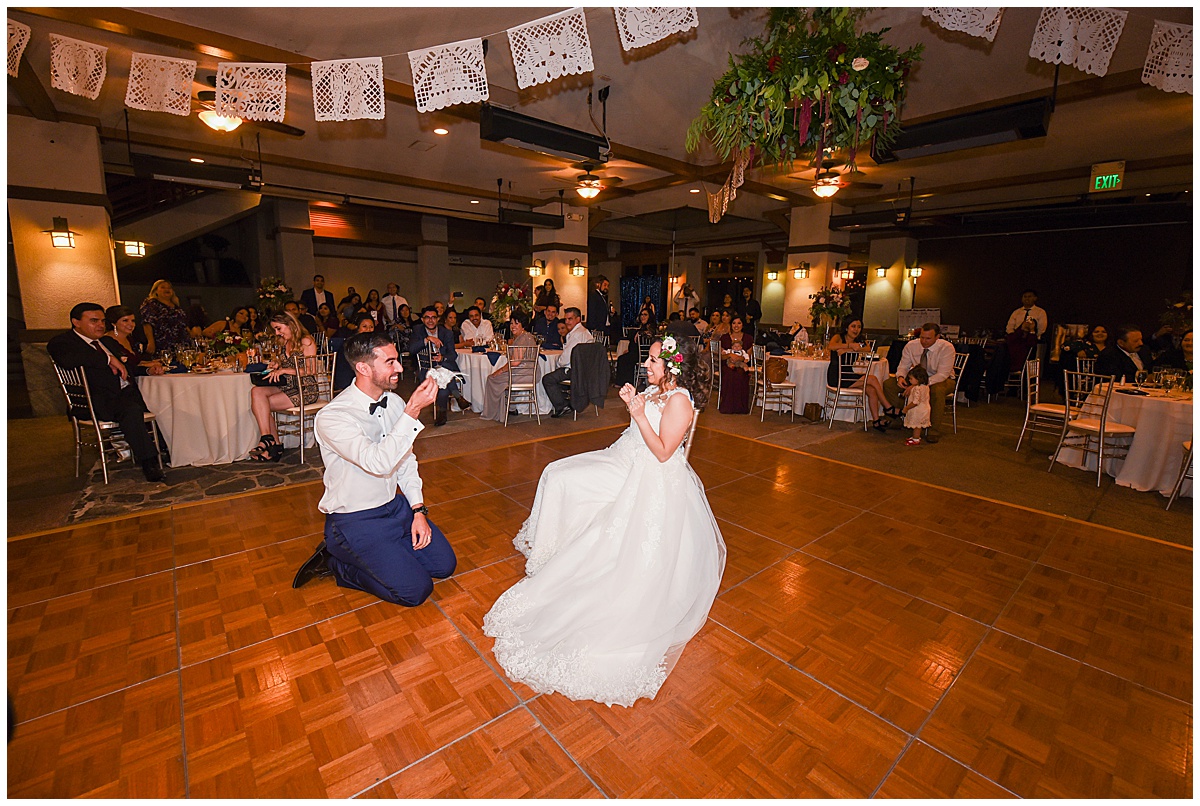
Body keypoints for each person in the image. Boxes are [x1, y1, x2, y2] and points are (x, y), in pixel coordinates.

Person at [483, 336, 723, 707]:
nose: (646, 364)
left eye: (655, 361)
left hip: (651, 478)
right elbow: (635, 437)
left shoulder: (679, 402)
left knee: (577, 493)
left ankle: (568, 554)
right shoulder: (659, 391)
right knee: (559, 473)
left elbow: (662, 454)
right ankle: (555, 548)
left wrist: (639, 414)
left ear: (674, 368)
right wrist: (635, 406)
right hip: (627, 461)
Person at [290, 331, 456, 606]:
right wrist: (413, 411)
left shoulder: (395, 403)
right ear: (363, 368)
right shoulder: (333, 416)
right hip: (355, 520)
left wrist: (418, 510)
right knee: (416, 591)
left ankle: (389, 554)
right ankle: (336, 563)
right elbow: (377, 463)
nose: (400, 368)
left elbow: (405, 461)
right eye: (390, 362)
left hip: (395, 508)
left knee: (443, 566)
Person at [48, 303, 165, 481]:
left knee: (160, 399)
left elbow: (127, 367)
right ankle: (149, 462)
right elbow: (69, 360)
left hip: (124, 395)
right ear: (76, 322)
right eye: (94, 321)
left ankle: (166, 449)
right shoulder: (63, 342)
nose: (101, 325)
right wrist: (108, 358)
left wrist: (149, 371)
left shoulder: (107, 342)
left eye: (102, 321)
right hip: (95, 400)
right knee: (131, 409)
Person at [249, 311, 318, 461]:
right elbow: (285, 362)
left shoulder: (306, 341)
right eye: (275, 329)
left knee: (262, 405)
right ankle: (268, 439)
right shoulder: (284, 342)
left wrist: (284, 370)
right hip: (286, 385)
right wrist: (277, 364)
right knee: (257, 392)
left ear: (291, 325)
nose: (277, 333)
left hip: (304, 388)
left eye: (279, 328)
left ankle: (273, 446)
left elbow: (311, 370)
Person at [880, 323, 957, 443]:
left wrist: (918, 385)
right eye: (922, 337)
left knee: (937, 391)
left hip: (940, 379)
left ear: (937, 337)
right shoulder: (911, 345)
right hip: (915, 378)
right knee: (889, 384)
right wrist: (900, 377)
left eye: (928, 338)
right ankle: (899, 417)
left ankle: (933, 430)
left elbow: (942, 374)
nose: (924, 341)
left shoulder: (947, 348)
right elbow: (903, 366)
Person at [408, 305, 470, 425]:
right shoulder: (417, 331)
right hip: (427, 369)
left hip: (445, 366)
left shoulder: (446, 333)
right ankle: (457, 397)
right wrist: (427, 339)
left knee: (443, 380)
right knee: (444, 378)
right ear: (422, 319)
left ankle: (442, 414)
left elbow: (453, 355)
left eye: (433, 317)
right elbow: (411, 349)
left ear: (438, 319)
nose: (430, 320)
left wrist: (443, 358)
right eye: (427, 317)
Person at [481, 310, 537, 422]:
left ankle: (494, 413)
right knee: (498, 379)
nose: (513, 326)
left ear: (523, 324)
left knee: (492, 379)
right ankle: (508, 408)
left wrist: (500, 371)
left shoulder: (522, 338)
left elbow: (515, 362)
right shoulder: (527, 336)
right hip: (528, 373)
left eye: (516, 323)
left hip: (523, 374)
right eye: (511, 323)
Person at [541, 306, 593, 417]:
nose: (567, 322)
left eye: (570, 319)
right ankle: (570, 402)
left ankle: (562, 406)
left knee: (548, 379)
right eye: (566, 319)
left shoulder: (576, 335)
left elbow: (566, 358)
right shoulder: (586, 332)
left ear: (578, 319)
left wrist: (557, 364)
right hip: (587, 371)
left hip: (574, 371)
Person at [102, 305, 164, 377]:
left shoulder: (129, 338)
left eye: (133, 321)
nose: (131, 324)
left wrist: (151, 362)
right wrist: (147, 366)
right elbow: (126, 366)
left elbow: (135, 361)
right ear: (113, 323)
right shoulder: (107, 341)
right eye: (125, 320)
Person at [139, 279, 189, 354]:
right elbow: (147, 323)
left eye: (169, 288)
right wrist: (151, 341)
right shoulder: (151, 304)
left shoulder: (176, 306)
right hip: (162, 342)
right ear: (155, 291)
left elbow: (182, 323)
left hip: (181, 343)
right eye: (163, 287)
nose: (167, 289)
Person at [718, 314, 754, 414]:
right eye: (734, 323)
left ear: (743, 325)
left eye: (739, 323)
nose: (736, 325)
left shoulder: (748, 338)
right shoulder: (724, 338)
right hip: (727, 364)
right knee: (730, 374)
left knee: (740, 374)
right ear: (731, 324)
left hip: (742, 364)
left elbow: (748, 357)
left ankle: (741, 407)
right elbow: (721, 357)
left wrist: (740, 357)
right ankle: (727, 406)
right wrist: (730, 355)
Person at [332, 313, 375, 391]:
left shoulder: (372, 342)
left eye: (371, 327)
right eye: (364, 326)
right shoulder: (352, 343)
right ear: (357, 328)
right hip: (348, 380)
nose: (368, 330)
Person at [616, 309, 658, 387]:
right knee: (622, 358)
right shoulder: (642, 326)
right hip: (637, 353)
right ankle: (626, 382)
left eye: (645, 315)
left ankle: (627, 382)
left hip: (645, 354)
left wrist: (639, 333)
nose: (643, 317)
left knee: (624, 359)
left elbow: (650, 335)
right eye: (641, 315)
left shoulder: (651, 326)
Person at [901, 365, 931, 446]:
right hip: (925, 408)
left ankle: (916, 439)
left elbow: (915, 402)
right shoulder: (925, 387)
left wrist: (906, 408)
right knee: (919, 425)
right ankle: (915, 437)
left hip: (918, 410)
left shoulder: (917, 388)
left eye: (911, 379)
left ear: (918, 379)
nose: (909, 381)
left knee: (917, 425)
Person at [586, 275, 617, 340]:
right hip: (597, 328)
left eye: (608, 286)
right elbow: (592, 311)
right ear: (598, 285)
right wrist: (594, 327)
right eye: (605, 285)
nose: (606, 288)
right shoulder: (594, 296)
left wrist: (610, 313)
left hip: (604, 327)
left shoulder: (602, 297)